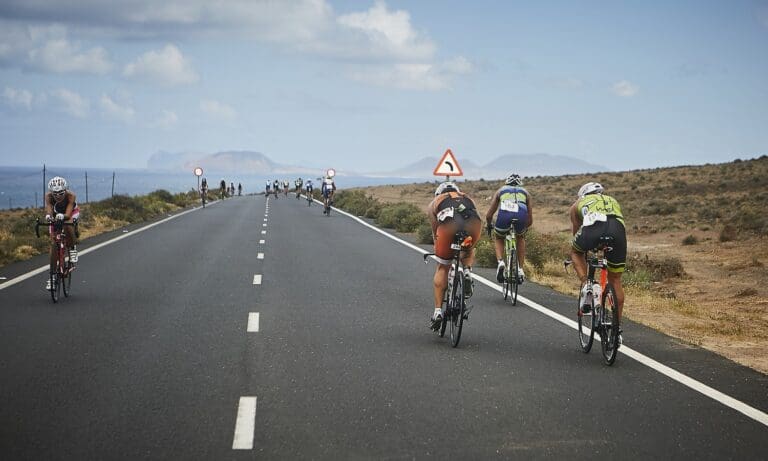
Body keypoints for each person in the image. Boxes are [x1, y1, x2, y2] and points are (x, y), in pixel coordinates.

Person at [569, 182, 627, 330]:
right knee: (615, 280)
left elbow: (577, 232)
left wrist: (589, 245)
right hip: (617, 230)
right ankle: (616, 328)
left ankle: (587, 285)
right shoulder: (613, 200)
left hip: (593, 227)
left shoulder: (577, 204)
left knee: (575, 252)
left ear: (583, 195)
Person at [427, 182, 482, 329]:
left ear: (438, 193)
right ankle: (467, 271)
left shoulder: (435, 202)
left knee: (443, 267)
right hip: (474, 223)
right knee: (469, 249)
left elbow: (435, 230)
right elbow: (476, 214)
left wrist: (439, 249)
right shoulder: (467, 197)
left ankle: (438, 311)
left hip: (448, 226)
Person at [485, 173, 533, 283]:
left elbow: (489, 215)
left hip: (504, 215)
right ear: (520, 184)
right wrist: (525, 228)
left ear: (507, 182)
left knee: (499, 237)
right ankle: (520, 269)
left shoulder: (501, 190)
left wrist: (489, 224)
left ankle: (501, 261)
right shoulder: (526, 193)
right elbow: (530, 219)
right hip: (521, 215)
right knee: (520, 238)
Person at [43, 176, 80, 290]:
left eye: (60, 193)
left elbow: (68, 213)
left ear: (65, 190)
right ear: (51, 192)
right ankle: (53, 276)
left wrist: (63, 216)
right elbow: (49, 207)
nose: (58, 196)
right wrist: (49, 216)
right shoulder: (48, 196)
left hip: (71, 213)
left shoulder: (71, 196)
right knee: (54, 243)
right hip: (56, 214)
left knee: (67, 224)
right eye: (55, 193)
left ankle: (72, 248)